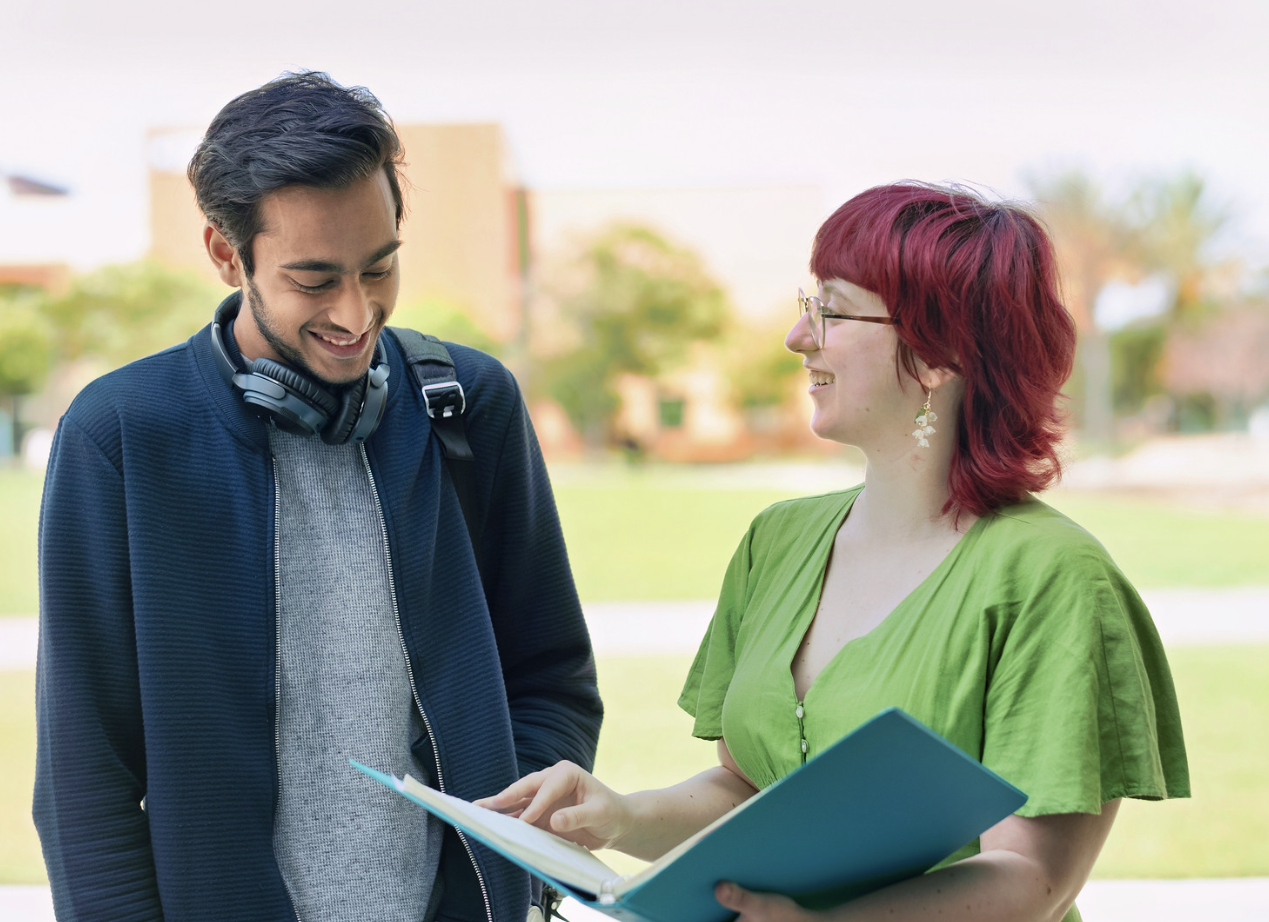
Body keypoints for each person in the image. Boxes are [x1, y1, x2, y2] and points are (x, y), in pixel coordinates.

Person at [479, 183, 1189, 922]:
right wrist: (622, 815)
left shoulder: (1053, 579)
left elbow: (1034, 876)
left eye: (833, 310)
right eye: (805, 302)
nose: (798, 336)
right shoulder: (776, 543)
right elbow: (751, 796)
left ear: (940, 352)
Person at [33, 71, 602, 922]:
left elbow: (551, 675)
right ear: (228, 254)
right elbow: (88, 774)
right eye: (314, 279)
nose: (356, 312)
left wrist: (508, 834)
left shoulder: (470, 406)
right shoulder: (121, 436)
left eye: (379, 268)